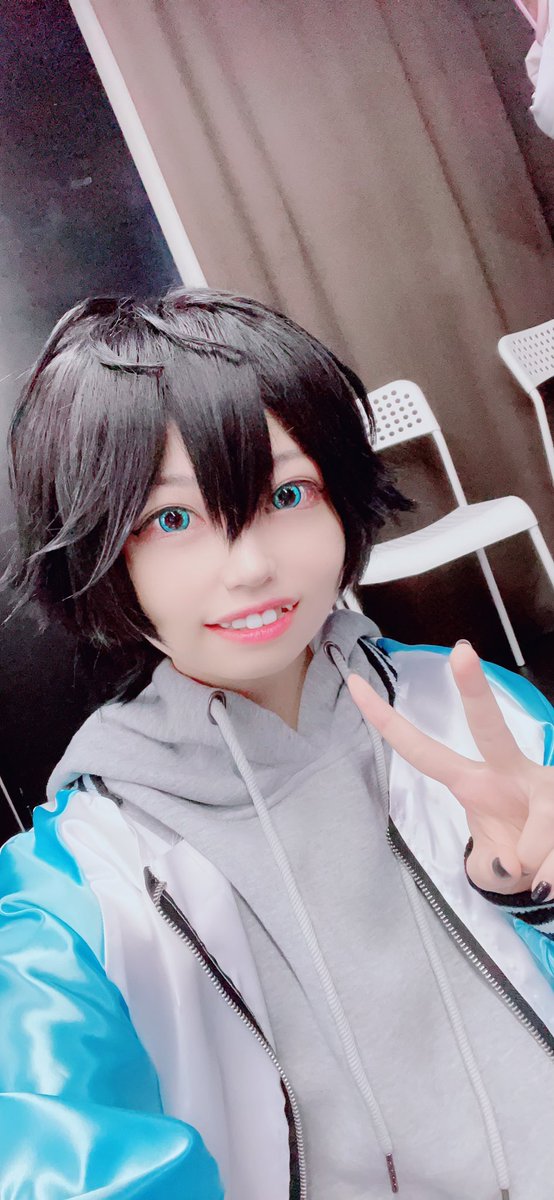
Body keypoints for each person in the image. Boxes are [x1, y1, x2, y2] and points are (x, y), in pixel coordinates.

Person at [1, 287, 553, 1200]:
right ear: (99, 552)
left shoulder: (475, 717)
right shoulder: (87, 875)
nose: (252, 565)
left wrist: (538, 895)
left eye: (288, 495)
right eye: (172, 519)